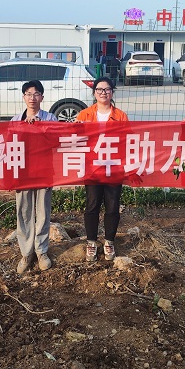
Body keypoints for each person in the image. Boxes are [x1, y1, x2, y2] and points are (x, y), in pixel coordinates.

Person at [76, 77, 129, 262]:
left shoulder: (120, 116)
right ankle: (91, 242)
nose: (103, 93)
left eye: (107, 89)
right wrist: (77, 129)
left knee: (112, 206)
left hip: (113, 167)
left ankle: (109, 241)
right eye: (99, 89)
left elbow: (127, 140)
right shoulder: (84, 115)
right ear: (94, 93)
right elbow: (75, 139)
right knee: (92, 204)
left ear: (112, 92)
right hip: (92, 167)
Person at [10, 80, 59, 274]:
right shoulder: (15, 120)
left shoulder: (50, 118)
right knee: (24, 211)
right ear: (23, 97)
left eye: (36, 94)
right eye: (29, 94)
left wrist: (40, 127)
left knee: (43, 211)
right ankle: (26, 253)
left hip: (44, 171)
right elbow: (10, 145)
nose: (32, 98)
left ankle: (41, 251)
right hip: (22, 172)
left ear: (42, 97)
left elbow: (56, 141)